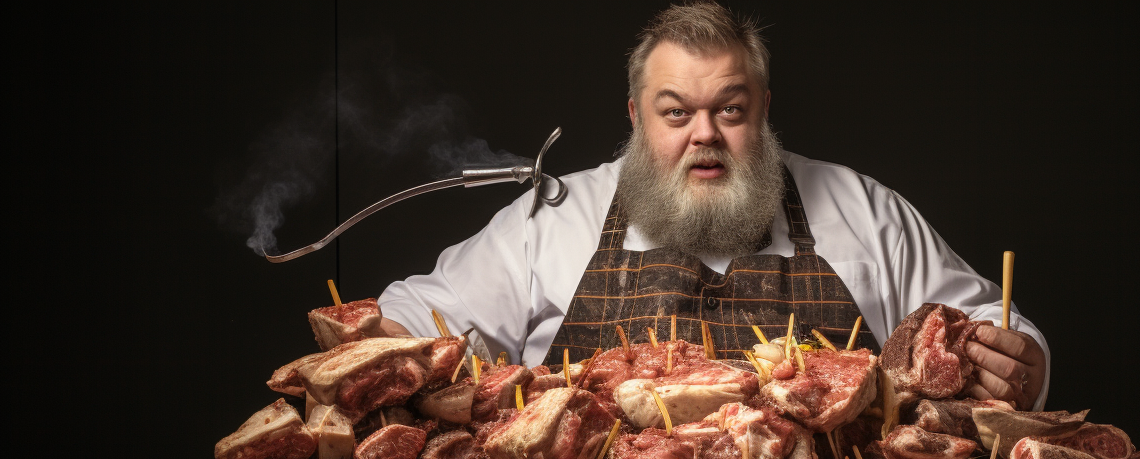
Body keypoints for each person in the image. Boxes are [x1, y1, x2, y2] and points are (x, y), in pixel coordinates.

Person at [379, 2, 1050, 409]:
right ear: (638, 117)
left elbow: (992, 319)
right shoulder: (553, 219)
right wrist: (378, 350)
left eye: (729, 109)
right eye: (677, 113)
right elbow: (416, 315)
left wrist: (1021, 360)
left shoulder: (861, 209)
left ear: (762, 109)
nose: (705, 134)